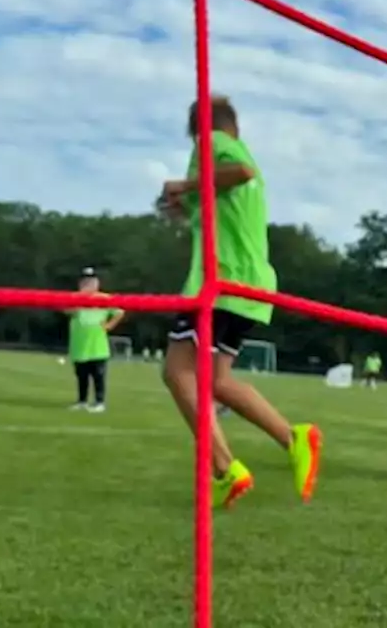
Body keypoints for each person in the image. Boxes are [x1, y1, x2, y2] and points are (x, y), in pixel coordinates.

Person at [158, 94, 322, 509]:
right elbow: (219, 201)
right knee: (216, 381)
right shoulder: (229, 162)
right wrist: (180, 204)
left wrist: (186, 184)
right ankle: (294, 438)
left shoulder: (211, 143)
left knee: (178, 372)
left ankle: (225, 468)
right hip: (249, 284)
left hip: (222, 281)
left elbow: (240, 172)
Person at [66, 266, 125, 413]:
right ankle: (82, 401)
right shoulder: (74, 297)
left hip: (97, 344)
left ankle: (99, 402)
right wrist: (79, 300)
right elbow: (66, 310)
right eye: (85, 281)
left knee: (98, 374)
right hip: (79, 343)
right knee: (81, 375)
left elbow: (119, 312)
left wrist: (109, 325)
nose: (88, 284)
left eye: (92, 281)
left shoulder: (104, 298)